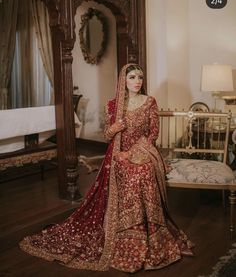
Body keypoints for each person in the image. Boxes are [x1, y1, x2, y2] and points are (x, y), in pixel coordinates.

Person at [19, 63, 194, 273]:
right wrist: (115, 128)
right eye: (132, 77)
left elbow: (153, 134)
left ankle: (151, 232)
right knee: (130, 174)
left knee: (143, 172)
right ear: (123, 81)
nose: (137, 81)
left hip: (144, 151)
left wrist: (132, 153)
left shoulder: (149, 102)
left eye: (140, 77)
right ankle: (124, 233)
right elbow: (107, 136)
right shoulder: (113, 105)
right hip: (117, 155)